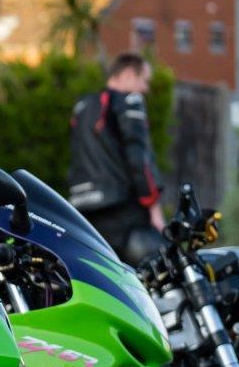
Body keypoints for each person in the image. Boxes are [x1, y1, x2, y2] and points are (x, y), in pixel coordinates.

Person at [66, 53, 165, 252]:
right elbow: (139, 158)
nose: (146, 89)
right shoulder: (129, 101)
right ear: (128, 74)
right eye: (144, 81)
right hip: (123, 210)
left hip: (83, 210)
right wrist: (154, 206)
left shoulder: (82, 106)